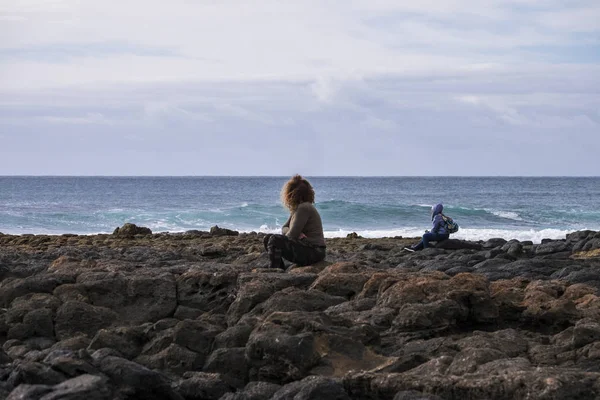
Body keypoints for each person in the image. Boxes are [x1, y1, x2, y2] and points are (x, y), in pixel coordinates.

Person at [263, 175, 326, 269]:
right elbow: (284, 228)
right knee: (268, 238)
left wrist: (293, 232)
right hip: (310, 249)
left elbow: (291, 235)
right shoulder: (297, 209)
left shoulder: (303, 208)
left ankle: (274, 269)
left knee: (274, 240)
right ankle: (278, 268)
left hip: (315, 251)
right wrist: (296, 232)